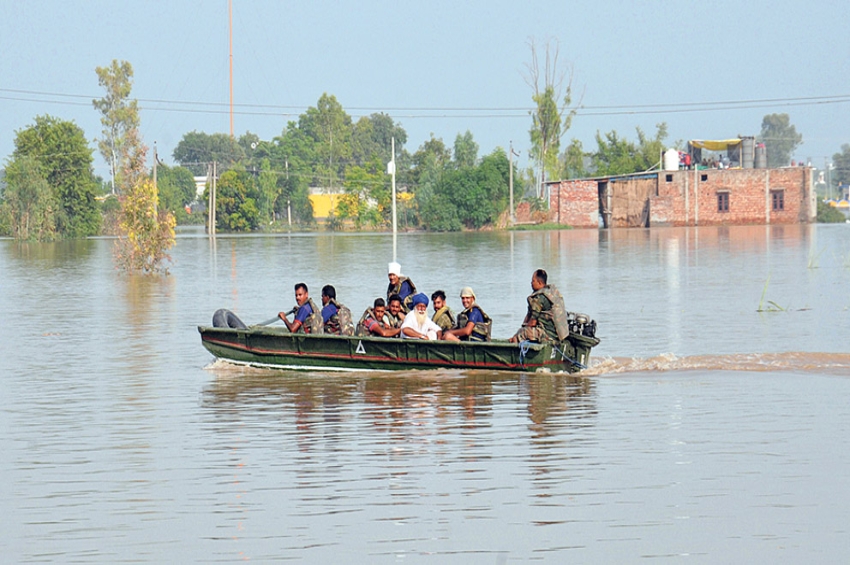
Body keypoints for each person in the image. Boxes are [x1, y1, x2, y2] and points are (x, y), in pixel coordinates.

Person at [509, 269, 569, 343]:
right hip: (557, 334)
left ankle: (515, 351)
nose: (531, 283)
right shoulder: (551, 292)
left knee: (520, 334)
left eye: (533, 281)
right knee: (523, 331)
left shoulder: (539, 298)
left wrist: (521, 332)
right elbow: (529, 315)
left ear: (539, 282)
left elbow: (533, 322)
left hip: (548, 334)